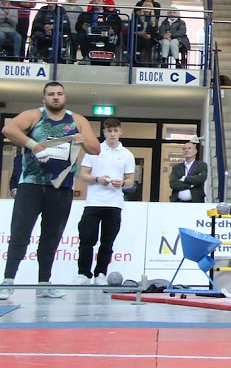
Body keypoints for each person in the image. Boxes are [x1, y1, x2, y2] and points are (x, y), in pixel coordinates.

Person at [0, 82, 100, 299]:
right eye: (51, 94)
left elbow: (96, 149)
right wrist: (33, 145)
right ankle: (7, 281)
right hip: (31, 184)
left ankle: (44, 283)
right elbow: (8, 129)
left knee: (51, 237)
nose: (56, 97)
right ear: (43, 98)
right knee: (20, 233)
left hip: (61, 187)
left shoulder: (77, 120)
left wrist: (83, 141)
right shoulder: (34, 116)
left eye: (59, 94)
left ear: (65, 97)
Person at [72, 118, 135, 285]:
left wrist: (121, 183)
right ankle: (83, 274)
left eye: (115, 131)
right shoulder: (94, 150)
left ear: (120, 131)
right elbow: (83, 174)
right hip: (93, 202)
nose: (112, 134)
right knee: (87, 239)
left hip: (114, 203)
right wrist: (97, 179)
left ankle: (100, 273)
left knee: (107, 241)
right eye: (109, 131)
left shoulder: (127, 155)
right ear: (104, 132)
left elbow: (130, 180)